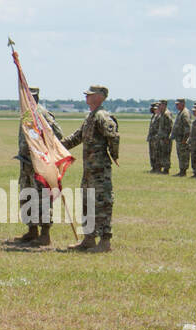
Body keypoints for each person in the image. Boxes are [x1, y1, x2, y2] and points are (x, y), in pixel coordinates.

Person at [60, 85, 119, 251]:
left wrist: (114, 155)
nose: (86, 96)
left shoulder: (102, 116)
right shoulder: (91, 117)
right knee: (87, 202)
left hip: (100, 171)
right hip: (89, 171)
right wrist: (56, 145)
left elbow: (113, 136)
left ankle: (105, 241)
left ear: (99, 97)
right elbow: (76, 137)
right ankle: (89, 238)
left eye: (90, 94)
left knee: (102, 203)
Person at [13, 86, 62, 246]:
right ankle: (32, 230)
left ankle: (45, 234)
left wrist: (44, 152)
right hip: (26, 163)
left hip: (39, 164)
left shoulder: (42, 114)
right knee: (27, 196)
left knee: (42, 198)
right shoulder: (26, 114)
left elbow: (57, 135)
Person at [170, 97, 191, 176]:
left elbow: (187, 127)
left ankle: (183, 171)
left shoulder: (185, 113)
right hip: (179, 138)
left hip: (183, 138)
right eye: (176, 104)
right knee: (180, 155)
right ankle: (181, 170)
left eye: (178, 104)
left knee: (183, 155)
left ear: (183, 104)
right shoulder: (181, 112)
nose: (176, 106)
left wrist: (185, 139)